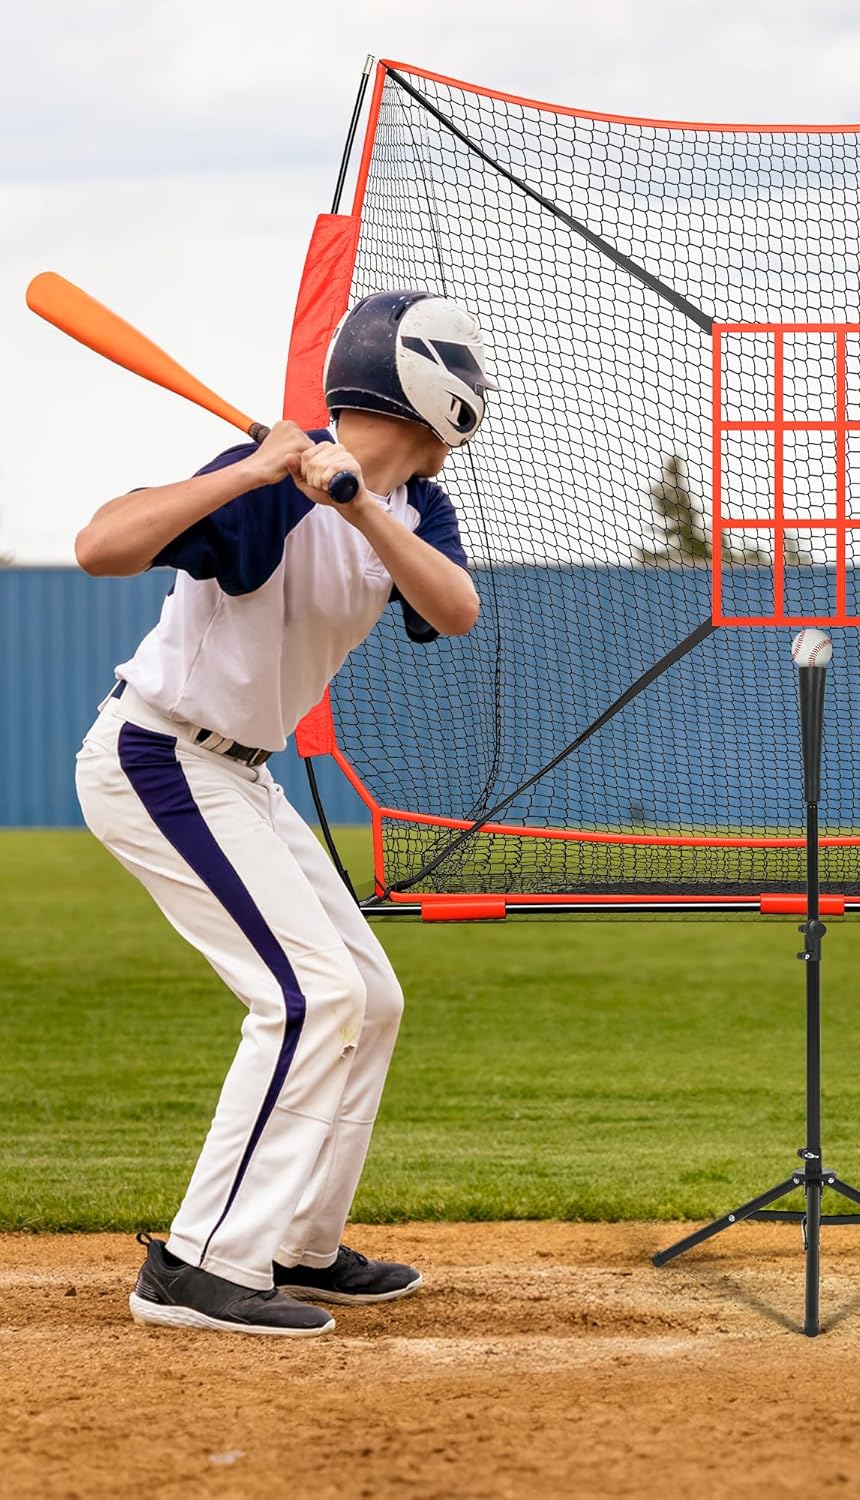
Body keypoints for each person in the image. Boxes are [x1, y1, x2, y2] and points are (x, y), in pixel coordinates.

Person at [73, 289, 494, 1336]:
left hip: (242, 776)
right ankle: (197, 1262)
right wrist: (257, 470)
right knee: (309, 997)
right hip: (160, 756)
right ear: (430, 390)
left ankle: (299, 1242)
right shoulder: (265, 479)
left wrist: (351, 501)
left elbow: (456, 608)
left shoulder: (407, 509)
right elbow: (100, 545)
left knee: (370, 998)